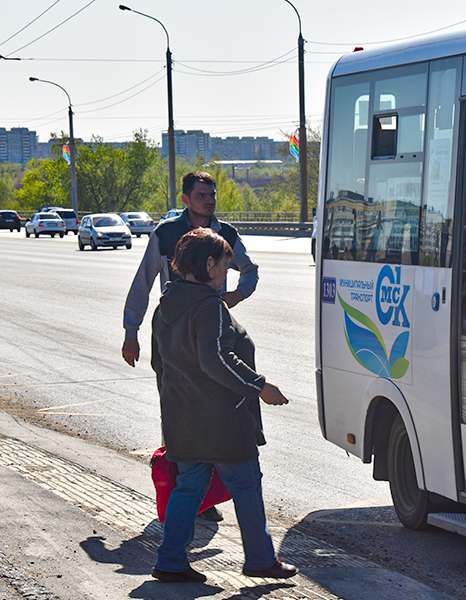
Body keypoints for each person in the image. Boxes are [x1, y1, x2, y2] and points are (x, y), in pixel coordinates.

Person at [149, 228, 296, 583]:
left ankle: (170, 560)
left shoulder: (166, 305)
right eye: (226, 269)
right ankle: (260, 559)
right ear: (210, 265)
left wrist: (173, 407)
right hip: (220, 420)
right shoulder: (209, 306)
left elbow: (160, 365)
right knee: (246, 482)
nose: (226, 278)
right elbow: (216, 359)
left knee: (190, 485)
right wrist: (260, 386)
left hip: (181, 417)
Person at [122, 171, 258, 521]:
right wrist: (131, 331)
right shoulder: (166, 233)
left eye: (212, 194)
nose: (209, 200)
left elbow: (250, 270)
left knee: (216, 410)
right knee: (178, 411)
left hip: (212, 324)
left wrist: (238, 294)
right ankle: (189, 490)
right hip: (172, 327)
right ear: (186, 199)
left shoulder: (225, 234)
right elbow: (144, 282)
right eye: (201, 195)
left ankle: (204, 496)